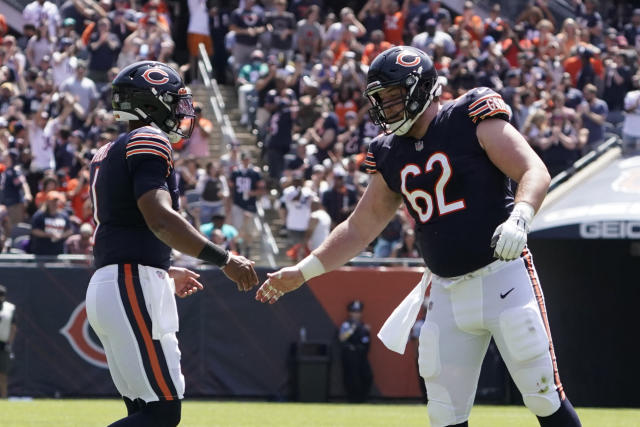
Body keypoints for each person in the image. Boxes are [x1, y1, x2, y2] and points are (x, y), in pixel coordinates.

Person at [257, 46, 582, 427]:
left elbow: (533, 169)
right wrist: (303, 271)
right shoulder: (389, 152)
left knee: (543, 395)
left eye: (393, 98)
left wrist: (521, 217)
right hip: (446, 291)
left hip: (503, 278)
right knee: (444, 413)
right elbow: (359, 228)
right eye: (380, 100)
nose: (386, 109)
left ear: (422, 87)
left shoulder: (469, 116)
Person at [86, 61, 258, 427]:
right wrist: (224, 259)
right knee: (162, 413)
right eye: (173, 102)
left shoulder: (109, 149)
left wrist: (162, 269)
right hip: (129, 281)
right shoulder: (148, 138)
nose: (181, 112)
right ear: (151, 103)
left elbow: (127, 224)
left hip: (116, 279)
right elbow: (160, 217)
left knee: (144, 411)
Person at [338, 300, 373, 403]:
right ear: (350, 313)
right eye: (354, 311)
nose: (356, 314)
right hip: (351, 355)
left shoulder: (364, 326)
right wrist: (352, 329)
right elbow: (342, 338)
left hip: (362, 355)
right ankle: (353, 399)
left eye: (358, 312)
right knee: (352, 378)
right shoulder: (346, 325)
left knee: (367, 376)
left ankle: (363, 399)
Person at [0, 284, 17, 399]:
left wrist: (9, 343)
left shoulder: (9, 308)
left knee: (3, 374)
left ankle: (4, 397)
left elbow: (13, 327)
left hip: (2, 344)